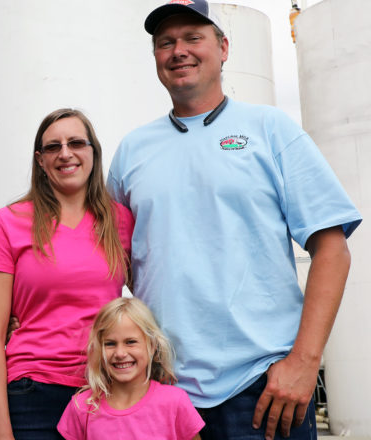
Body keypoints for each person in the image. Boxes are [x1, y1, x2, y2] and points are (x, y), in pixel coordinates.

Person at [106, 1, 362, 439]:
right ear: (155, 58)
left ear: (223, 48)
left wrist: (303, 363)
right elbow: (107, 261)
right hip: (165, 391)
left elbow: (332, 250)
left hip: (265, 388)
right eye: (165, 42)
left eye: (193, 38)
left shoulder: (270, 129)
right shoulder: (132, 151)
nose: (178, 51)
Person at [0, 108, 134, 440]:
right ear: (40, 160)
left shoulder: (120, 221)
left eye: (76, 142)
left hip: (107, 389)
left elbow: (151, 300)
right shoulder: (7, 223)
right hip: (33, 393)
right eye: (53, 146)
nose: (65, 153)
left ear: (93, 151)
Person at [57, 297, 204, 440]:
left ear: (152, 346)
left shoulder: (175, 402)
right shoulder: (82, 406)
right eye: (110, 344)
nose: (120, 353)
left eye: (131, 342)